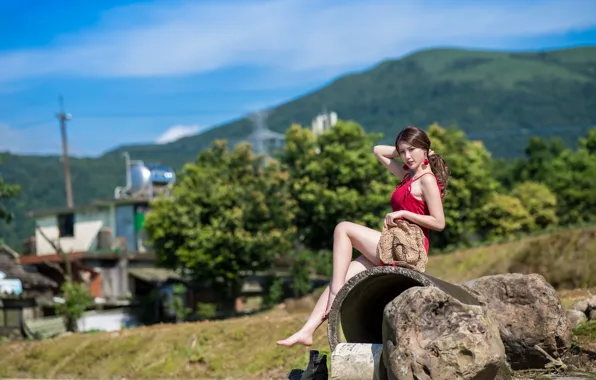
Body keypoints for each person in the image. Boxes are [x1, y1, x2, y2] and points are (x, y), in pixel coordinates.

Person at [276, 125, 449, 348]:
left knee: (343, 228)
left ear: (425, 149)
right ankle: (306, 331)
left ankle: (335, 293)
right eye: (403, 151)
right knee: (344, 274)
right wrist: (406, 150)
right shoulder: (408, 175)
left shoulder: (427, 180)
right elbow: (378, 150)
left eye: (412, 150)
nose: (406, 156)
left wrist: (405, 213)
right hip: (394, 243)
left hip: (408, 248)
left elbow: (439, 222)